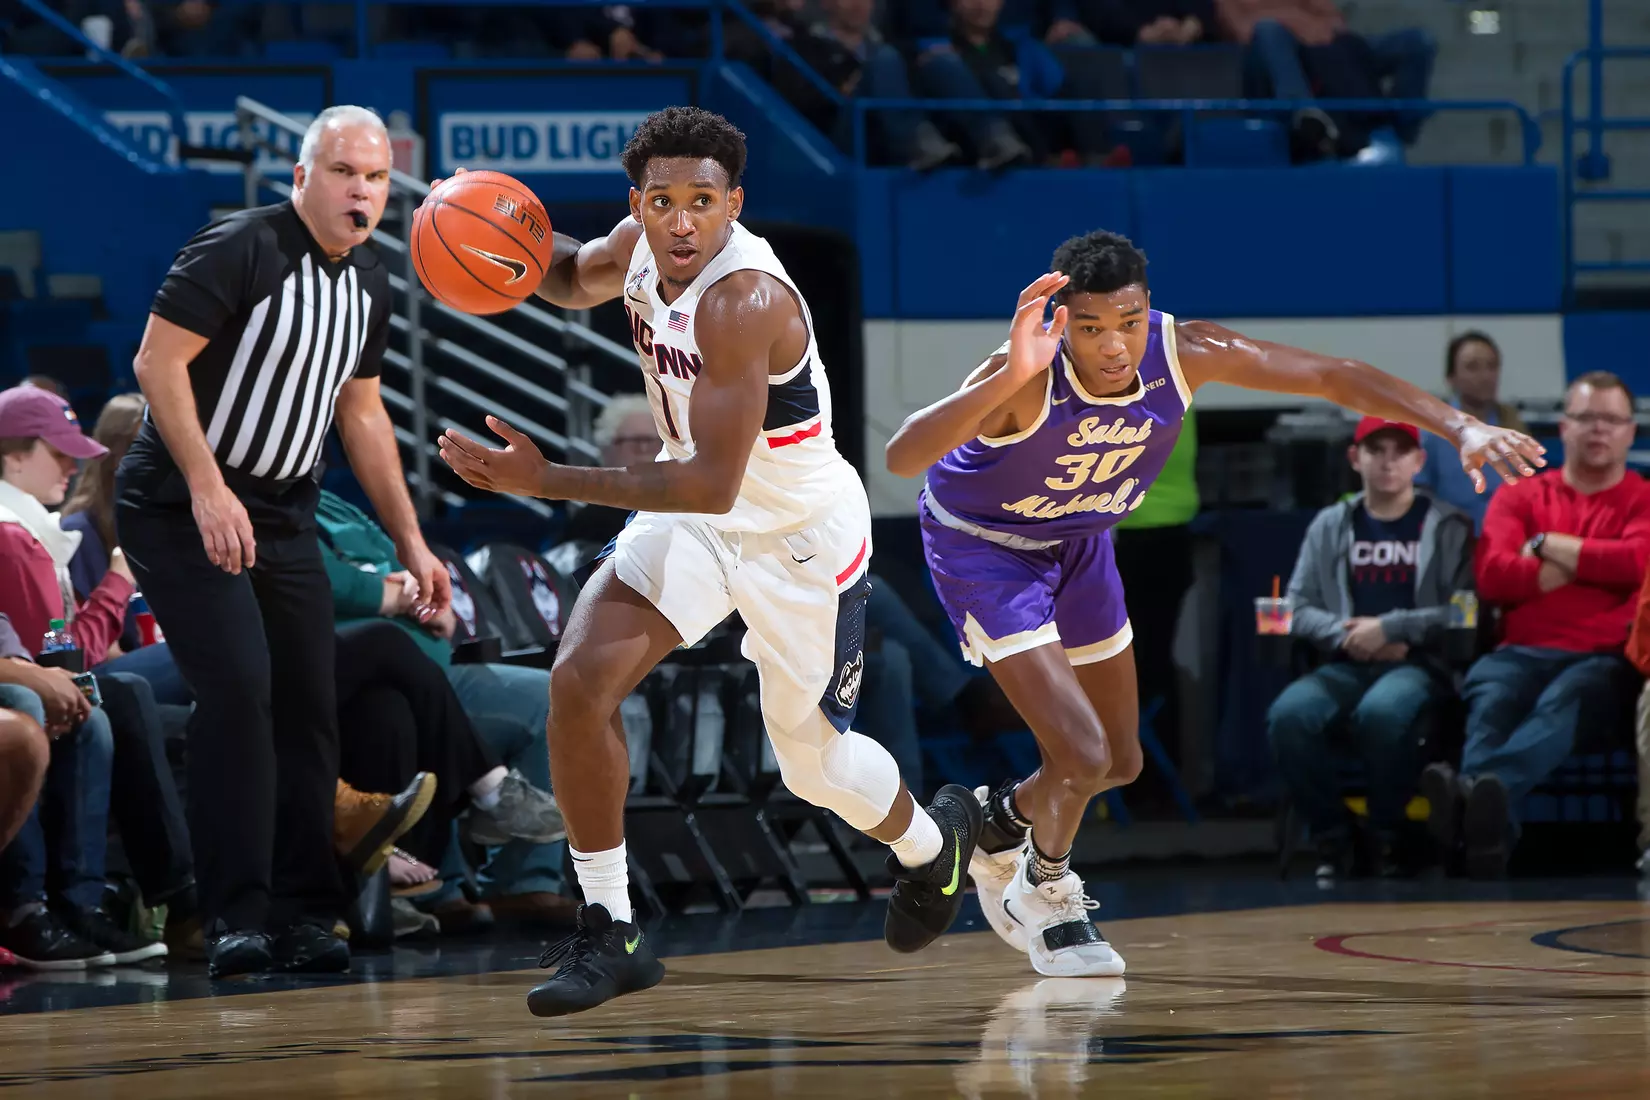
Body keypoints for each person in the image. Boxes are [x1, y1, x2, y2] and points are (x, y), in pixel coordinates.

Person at [435, 106, 981, 1018]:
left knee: (813, 767)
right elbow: (564, 275)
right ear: (637, 204)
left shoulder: (745, 300)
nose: (681, 221)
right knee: (578, 682)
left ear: (735, 203)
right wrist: (490, 229)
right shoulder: (637, 248)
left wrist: (545, 477)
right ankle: (612, 928)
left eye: (702, 201)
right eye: (662, 201)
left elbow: (711, 483)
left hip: (791, 535)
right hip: (693, 517)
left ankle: (933, 846)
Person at [885, 230, 1542, 977]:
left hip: (1080, 540)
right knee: (1081, 752)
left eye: (1129, 322)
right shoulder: (1026, 373)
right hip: (986, 549)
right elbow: (902, 456)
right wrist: (1007, 375)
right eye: (1092, 328)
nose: (1114, 345)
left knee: (1119, 760)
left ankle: (991, 822)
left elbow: (1332, 375)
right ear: (1063, 323)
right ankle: (1045, 891)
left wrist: (1460, 424)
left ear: (1149, 309)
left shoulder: (1185, 351)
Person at [116, 104, 452, 978]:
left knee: (309, 701)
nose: (361, 192)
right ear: (301, 177)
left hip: (284, 512)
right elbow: (156, 362)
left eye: (375, 178)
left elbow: (362, 413)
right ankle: (233, 915)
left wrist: (412, 542)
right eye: (343, 172)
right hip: (178, 501)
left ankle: (306, 913)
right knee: (239, 690)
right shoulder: (240, 245)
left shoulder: (371, 279)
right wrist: (206, 486)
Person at [1423, 372, 1650, 879]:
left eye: (1611, 419)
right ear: (1563, 427)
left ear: (1630, 432)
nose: (1598, 429)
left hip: (1605, 657)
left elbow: (1638, 562)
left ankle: (1474, 798)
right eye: (1586, 417)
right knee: (1491, 698)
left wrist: (1548, 545)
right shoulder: (1520, 495)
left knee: (1563, 701)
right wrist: (1593, 564)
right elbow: (1493, 575)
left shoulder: (1643, 498)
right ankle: (1486, 843)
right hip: (1520, 650)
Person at [1268, 418, 1472, 879]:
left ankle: (1386, 834)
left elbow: (1464, 612)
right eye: (1375, 450)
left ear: (1419, 462)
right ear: (1354, 459)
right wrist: (1346, 634)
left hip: (1420, 665)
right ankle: (1336, 839)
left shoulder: (1449, 526)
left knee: (1382, 713)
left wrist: (1391, 628)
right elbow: (1293, 607)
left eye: (1400, 452)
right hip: (1345, 662)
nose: (1387, 461)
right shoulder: (1330, 523)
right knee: (1289, 716)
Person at [0, 388, 161, 967]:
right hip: (31, 680)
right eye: (58, 453)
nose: (73, 466)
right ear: (13, 456)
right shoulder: (15, 535)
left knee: (99, 711)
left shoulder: (37, 528)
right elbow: (63, 652)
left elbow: (44, 646)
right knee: (63, 699)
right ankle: (27, 907)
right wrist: (118, 584)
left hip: (35, 668)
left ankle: (82, 904)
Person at [1415, 332, 1527, 530]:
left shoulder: (1512, 425)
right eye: (1472, 367)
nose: (1485, 376)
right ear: (1451, 377)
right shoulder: (1433, 431)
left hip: (1506, 537)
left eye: (1491, 366)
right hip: (1451, 539)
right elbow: (1419, 497)